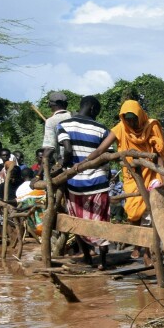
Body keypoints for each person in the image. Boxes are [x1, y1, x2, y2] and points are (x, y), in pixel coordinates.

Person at [56, 95, 114, 267]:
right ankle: (103, 261)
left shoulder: (64, 125)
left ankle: (87, 257)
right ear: (93, 109)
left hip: (74, 184)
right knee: (100, 221)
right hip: (98, 182)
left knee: (77, 220)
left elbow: (67, 151)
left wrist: (66, 166)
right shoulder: (103, 130)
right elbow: (107, 156)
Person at [101, 99, 164, 225]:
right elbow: (101, 150)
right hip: (131, 176)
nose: (131, 122)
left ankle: (149, 243)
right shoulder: (120, 128)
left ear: (139, 116)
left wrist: (163, 178)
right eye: (127, 119)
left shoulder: (151, 127)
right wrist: (85, 162)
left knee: (150, 211)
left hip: (150, 175)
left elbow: (160, 154)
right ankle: (137, 243)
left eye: (133, 118)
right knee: (133, 210)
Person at [41, 91, 72, 165]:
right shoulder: (74, 116)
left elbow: (49, 148)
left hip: (64, 164)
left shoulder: (51, 121)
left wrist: (39, 174)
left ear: (51, 105)